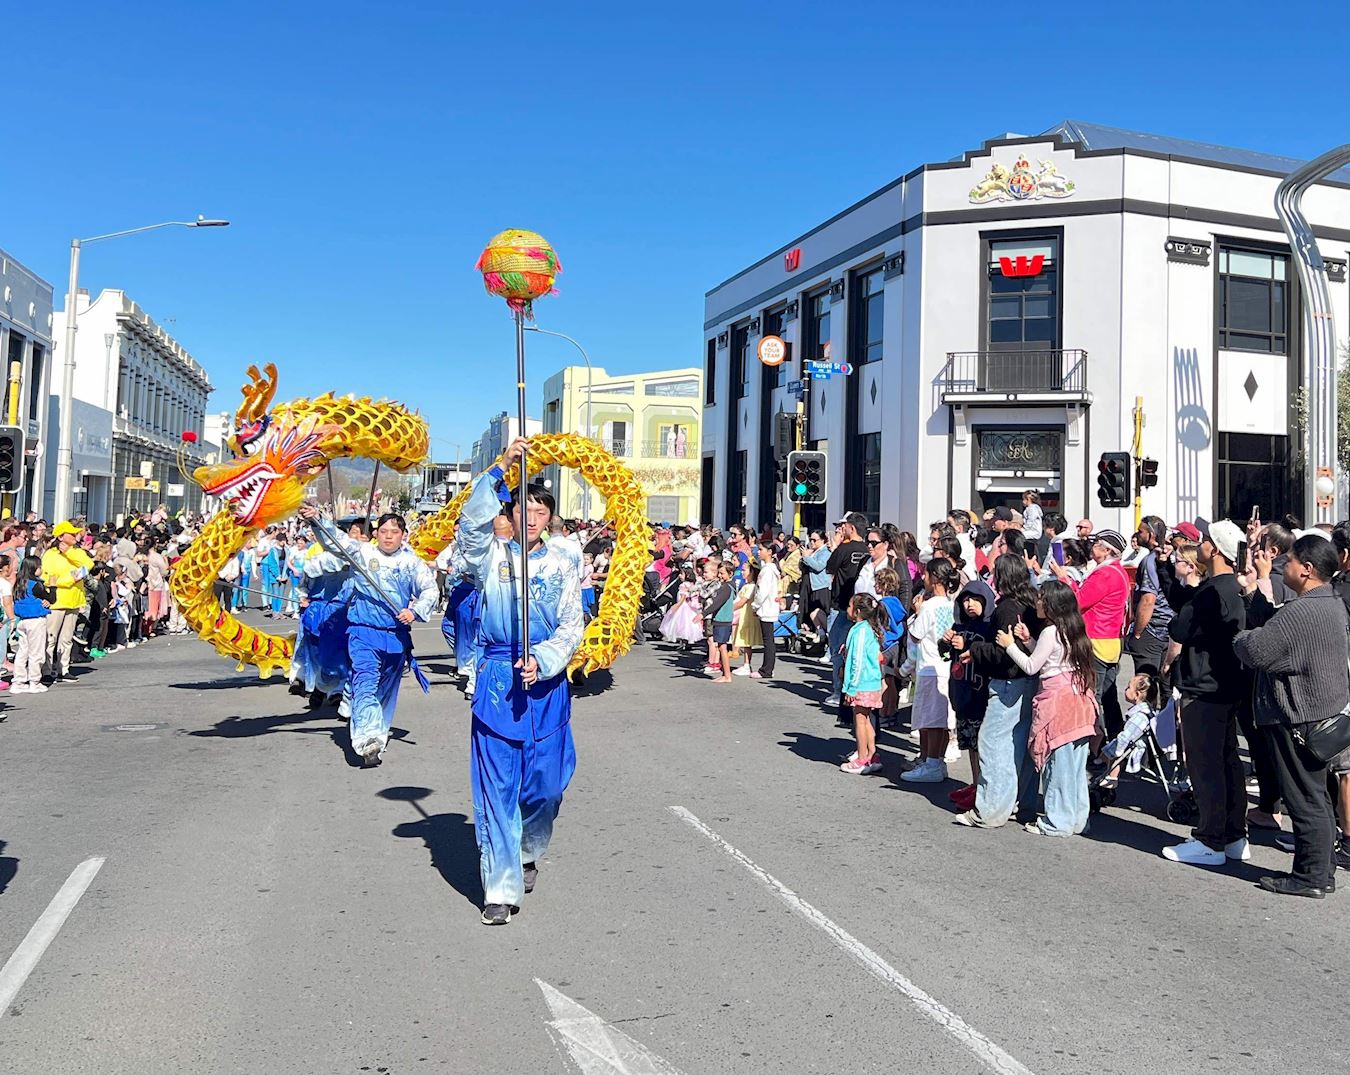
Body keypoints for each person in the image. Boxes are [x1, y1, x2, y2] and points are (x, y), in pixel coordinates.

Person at [453, 438, 586, 924]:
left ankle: (529, 845)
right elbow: (468, 530)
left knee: (546, 788)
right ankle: (500, 887)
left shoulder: (565, 560)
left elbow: (573, 624)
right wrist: (499, 469)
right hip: (496, 682)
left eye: (541, 508)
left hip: (545, 685)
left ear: (550, 515)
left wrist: (546, 659)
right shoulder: (489, 555)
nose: (531, 516)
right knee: (496, 788)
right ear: (508, 512)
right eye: (522, 507)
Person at [1234, 535, 1349, 897]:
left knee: (1304, 798)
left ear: (1308, 569)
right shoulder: (1329, 601)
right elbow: (1278, 633)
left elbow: (1259, 649)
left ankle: (1309, 876)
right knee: (1318, 796)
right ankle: (1321, 871)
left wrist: (1240, 638)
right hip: (1322, 713)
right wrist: (1254, 595)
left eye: (1292, 561)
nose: (1286, 566)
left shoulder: (1304, 610)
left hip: (1300, 715)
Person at [300, 505, 438, 767]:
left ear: (403, 535)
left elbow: (430, 590)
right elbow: (336, 543)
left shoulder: (412, 563)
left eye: (394, 532)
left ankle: (378, 733)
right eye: (383, 531)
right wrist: (317, 521)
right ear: (376, 534)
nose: (388, 536)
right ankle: (365, 740)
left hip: (395, 636)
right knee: (365, 682)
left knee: (385, 690)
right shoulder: (362, 553)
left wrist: (415, 611)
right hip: (363, 632)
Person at [1160, 519, 1250, 866]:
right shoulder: (1232, 588)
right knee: (1227, 762)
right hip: (1226, 686)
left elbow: (1180, 627)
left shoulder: (1213, 590)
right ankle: (1233, 835)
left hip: (1205, 686)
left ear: (1214, 549)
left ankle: (1209, 840)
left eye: (1206, 540)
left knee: (1206, 765)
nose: (1200, 544)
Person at [1001, 580, 1099, 837]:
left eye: (1043, 598)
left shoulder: (1050, 631)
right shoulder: (1073, 629)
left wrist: (1010, 645)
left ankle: (1057, 822)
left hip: (1057, 701)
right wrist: (1029, 640)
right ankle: (1078, 819)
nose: (1038, 602)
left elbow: (1033, 666)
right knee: (1076, 769)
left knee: (1058, 767)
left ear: (1054, 604)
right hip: (1079, 699)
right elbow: (1052, 658)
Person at [954, 555, 1043, 827]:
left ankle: (989, 810)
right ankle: (1022, 804)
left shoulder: (1006, 607)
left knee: (993, 745)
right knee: (1020, 748)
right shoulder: (1031, 601)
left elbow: (1005, 652)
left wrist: (976, 650)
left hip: (1007, 683)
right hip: (1029, 680)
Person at [1052, 529, 1129, 741]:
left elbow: (1079, 601)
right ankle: (1114, 741)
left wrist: (1063, 578)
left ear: (1106, 551)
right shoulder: (1117, 572)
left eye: (1096, 544)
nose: (1091, 547)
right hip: (1111, 640)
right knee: (1107, 696)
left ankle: (1095, 745)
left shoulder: (1105, 574)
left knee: (1091, 696)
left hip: (1096, 639)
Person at [899, 558, 958, 782]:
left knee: (931, 720)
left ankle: (932, 762)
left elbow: (915, 634)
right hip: (944, 667)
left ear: (934, 578)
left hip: (930, 667)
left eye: (926, 574)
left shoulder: (930, 606)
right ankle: (931, 760)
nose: (923, 578)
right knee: (937, 719)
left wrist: (917, 610)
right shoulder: (951, 604)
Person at [940, 578, 995, 813]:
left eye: (974, 600)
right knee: (970, 743)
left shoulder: (989, 626)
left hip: (979, 693)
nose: (969, 604)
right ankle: (974, 783)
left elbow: (989, 651)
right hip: (961, 692)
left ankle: (984, 788)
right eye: (965, 600)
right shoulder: (960, 625)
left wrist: (967, 644)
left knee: (980, 743)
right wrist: (945, 643)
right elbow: (946, 654)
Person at [839, 593, 888, 775]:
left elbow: (858, 660)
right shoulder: (869, 628)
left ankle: (861, 758)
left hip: (862, 683)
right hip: (871, 682)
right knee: (866, 719)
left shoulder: (860, 630)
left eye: (850, 606)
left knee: (859, 721)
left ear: (858, 611)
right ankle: (871, 754)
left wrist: (851, 687)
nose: (847, 609)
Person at [825, 512, 870, 707]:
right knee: (856, 649)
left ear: (851, 528)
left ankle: (838, 690)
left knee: (837, 648)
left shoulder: (843, 549)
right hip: (861, 608)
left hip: (841, 605)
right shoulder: (868, 551)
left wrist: (835, 546)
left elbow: (829, 567)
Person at [41, 521, 94, 685]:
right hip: (57, 600)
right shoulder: (50, 554)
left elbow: (88, 565)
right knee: (51, 637)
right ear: (61, 536)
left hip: (74, 600)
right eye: (71, 534)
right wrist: (70, 579)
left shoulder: (77, 552)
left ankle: (64, 669)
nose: (75, 536)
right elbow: (48, 578)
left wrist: (70, 553)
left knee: (67, 638)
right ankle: (47, 670)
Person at [1127, 517, 1174, 676]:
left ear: (1151, 535)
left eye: (1141, 531)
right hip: (1170, 631)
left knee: (1144, 686)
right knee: (1167, 687)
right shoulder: (1172, 555)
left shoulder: (1150, 561)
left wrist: (1138, 632)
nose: (1137, 534)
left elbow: (1148, 600)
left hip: (1152, 630)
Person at [11, 557, 53, 694]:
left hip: (22, 620)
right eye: (39, 566)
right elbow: (51, 598)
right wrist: (52, 587)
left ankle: (18, 681)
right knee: (36, 652)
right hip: (36, 620)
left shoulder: (18, 583)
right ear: (34, 568)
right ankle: (34, 681)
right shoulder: (36, 584)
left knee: (23, 651)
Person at [753, 541, 781, 679]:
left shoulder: (768, 570)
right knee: (769, 639)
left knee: (768, 640)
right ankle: (768, 667)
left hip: (766, 607)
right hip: (769, 606)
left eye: (761, 549)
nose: (759, 552)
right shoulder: (769, 568)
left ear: (769, 552)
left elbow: (762, 592)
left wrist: (755, 605)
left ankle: (767, 669)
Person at [659, 565, 704, 647]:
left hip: (683, 607)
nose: (679, 576)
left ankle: (683, 642)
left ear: (687, 575)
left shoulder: (683, 585)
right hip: (689, 607)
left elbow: (683, 596)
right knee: (688, 625)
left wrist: (677, 605)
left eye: (681, 574)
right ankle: (687, 642)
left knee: (681, 624)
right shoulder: (692, 584)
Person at [706, 561, 736, 684]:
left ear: (730, 573)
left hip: (723, 619)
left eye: (722, 573)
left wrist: (703, 614)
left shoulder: (726, 587)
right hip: (722, 619)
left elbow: (717, 603)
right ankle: (724, 673)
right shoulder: (727, 586)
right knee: (721, 646)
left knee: (722, 647)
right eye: (719, 573)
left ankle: (727, 675)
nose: (719, 575)